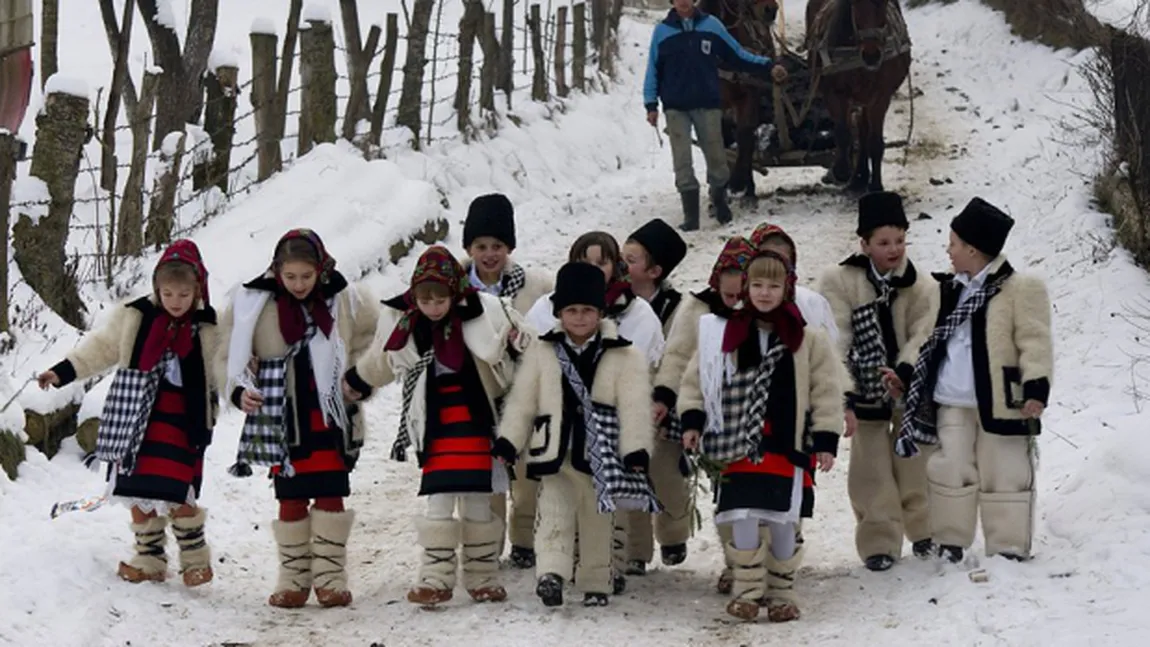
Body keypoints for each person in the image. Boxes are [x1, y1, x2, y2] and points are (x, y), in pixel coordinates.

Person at [344, 245, 529, 606]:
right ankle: (435, 576)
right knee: (439, 502)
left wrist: (517, 348)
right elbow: (383, 358)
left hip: (477, 426)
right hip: (437, 427)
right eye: (425, 301)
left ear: (454, 293)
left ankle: (481, 575)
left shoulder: (485, 313)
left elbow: (522, 343)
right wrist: (359, 379)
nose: (433, 308)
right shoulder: (406, 325)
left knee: (478, 502)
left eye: (440, 300)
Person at [38, 240, 219, 587]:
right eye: (168, 293)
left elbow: (227, 366)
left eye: (183, 295)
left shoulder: (209, 325)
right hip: (136, 418)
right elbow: (102, 347)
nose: (176, 302)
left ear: (197, 291)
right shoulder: (137, 315)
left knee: (179, 489)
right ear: (157, 289)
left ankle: (196, 560)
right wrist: (61, 372)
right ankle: (149, 558)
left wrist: (244, 388)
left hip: (185, 421)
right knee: (137, 487)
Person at [218, 229, 380, 608]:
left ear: (320, 269)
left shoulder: (346, 300)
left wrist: (360, 379)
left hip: (330, 413)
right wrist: (240, 388)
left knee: (330, 491)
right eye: (290, 277)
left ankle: (329, 576)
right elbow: (227, 356)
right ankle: (293, 576)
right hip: (282, 414)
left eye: (306, 277)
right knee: (290, 496)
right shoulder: (254, 305)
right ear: (277, 271)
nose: (298, 284)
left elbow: (372, 342)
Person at [678, 250, 842, 622]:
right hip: (738, 443)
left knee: (784, 517)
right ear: (745, 288)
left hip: (786, 444)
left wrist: (826, 440)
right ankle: (748, 591)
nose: (764, 293)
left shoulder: (807, 339)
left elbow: (826, 391)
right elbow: (695, 383)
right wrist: (692, 421)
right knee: (743, 515)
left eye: (773, 285)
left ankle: (782, 591)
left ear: (787, 288)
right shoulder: (724, 333)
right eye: (757, 285)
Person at [889, 197, 1052, 564]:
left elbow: (1034, 340)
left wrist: (1036, 386)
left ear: (974, 249)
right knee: (950, 468)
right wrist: (905, 372)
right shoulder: (945, 290)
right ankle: (951, 540)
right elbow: (924, 339)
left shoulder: (1019, 289)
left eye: (954, 243)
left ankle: (1008, 543)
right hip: (952, 399)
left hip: (1001, 400)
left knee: (1005, 469)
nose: (948, 250)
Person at [493, 262, 658, 608]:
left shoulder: (624, 354)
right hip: (555, 451)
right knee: (553, 512)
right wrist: (510, 439)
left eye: (587, 310)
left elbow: (635, 407)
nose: (579, 318)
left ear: (601, 311)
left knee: (598, 520)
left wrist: (636, 450)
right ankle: (551, 574)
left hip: (601, 457)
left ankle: (596, 580)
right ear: (558, 312)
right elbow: (523, 399)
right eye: (571, 310)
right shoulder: (543, 350)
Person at [817, 191, 938, 571]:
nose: (894, 249)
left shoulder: (922, 286)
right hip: (864, 390)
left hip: (908, 389)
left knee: (917, 462)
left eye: (900, 240)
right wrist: (845, 392)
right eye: (883, 242)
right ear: (864, 244)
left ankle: (925, 530)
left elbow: (924, 333)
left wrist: (904, 370)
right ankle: (879, 540)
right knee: (871, 470)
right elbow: (834, 336)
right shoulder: (840, 281)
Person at [652, 235, 756, 594]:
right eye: (729, 296)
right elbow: (678, 356)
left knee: (758, 493)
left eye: (742, 295)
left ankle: (764, 559)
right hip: (715, 419)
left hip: (756, 416)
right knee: (726, 493)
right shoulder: (698, 310)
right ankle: (735, 562)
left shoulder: (768, 315)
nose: (735, 303)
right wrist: (665, 397)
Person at [459, 192, 552, 570]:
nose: (489, 254)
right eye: (481, 246)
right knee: (489, 474)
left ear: (509, 247)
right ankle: (488, 542)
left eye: (497, 246)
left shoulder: (535, 286)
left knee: (528, 473)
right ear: (470, 248)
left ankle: (525, 538)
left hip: (524, 391)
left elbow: (549, 329)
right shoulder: (456, 288)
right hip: (477, 391)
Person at [643, 0, 789, 230]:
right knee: (682, 162)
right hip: (676, 107)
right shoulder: (662, 31)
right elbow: (653, 68)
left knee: (716, 157)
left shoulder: (711, 25)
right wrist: (650, 103)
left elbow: (737, 54)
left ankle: (720, 201)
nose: (683, 1)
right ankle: (690, 217)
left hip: (707, 104)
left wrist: (768, 65)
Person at [619, 218, 691, 574]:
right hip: (628, 406)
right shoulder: (617, 305)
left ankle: (673, 531)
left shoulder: (677, 309)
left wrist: (665, 398)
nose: (621, 265)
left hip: (668, 409)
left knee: (666, 476)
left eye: (630, 259)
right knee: (631, 476)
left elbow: (678, 356)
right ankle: (636, 549)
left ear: (655, 270)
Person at [525, 231, 665, 369]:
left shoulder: (637, 312)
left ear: (615, 266)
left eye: (601, 263)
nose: (591, 269)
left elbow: (646, 366)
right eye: (583, 262)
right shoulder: (546, 307)